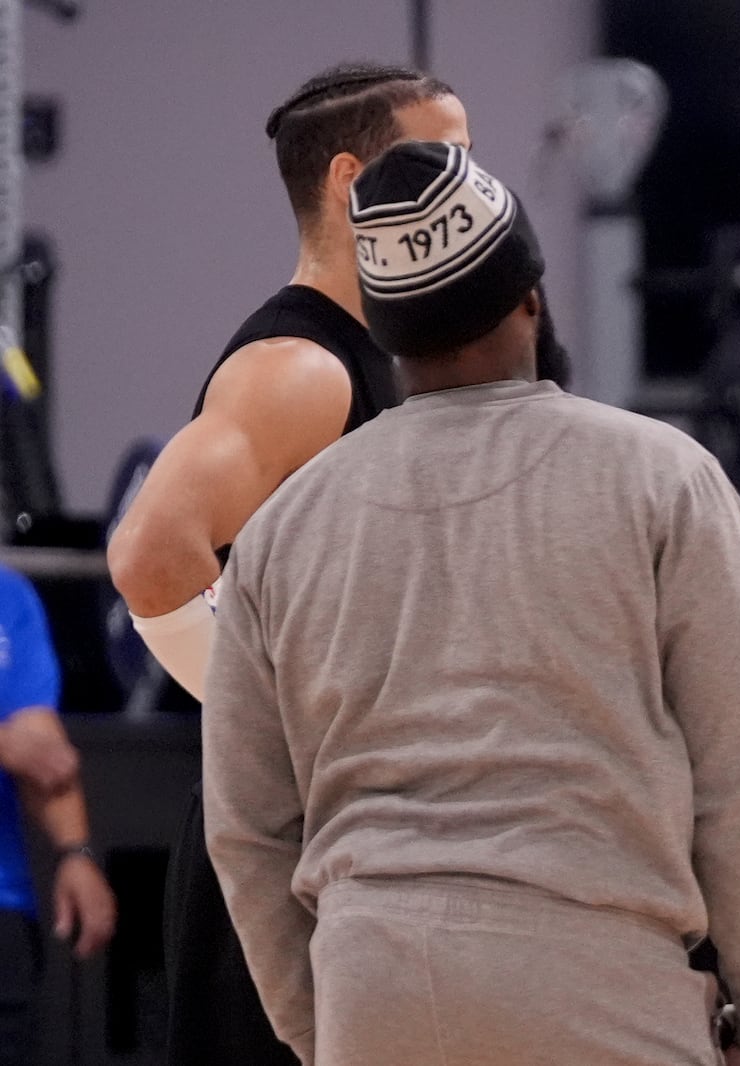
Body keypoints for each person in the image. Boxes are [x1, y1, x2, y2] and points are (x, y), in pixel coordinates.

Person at [201, 140, 740, 1066]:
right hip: (600, 982)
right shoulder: (662, 481)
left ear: (384, 330)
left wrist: (323, 1026)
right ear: (530, 296)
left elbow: (247, 831)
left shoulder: (287, 525)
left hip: (375, 982)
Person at [103, 62, 477, 1066]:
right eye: (444, 161)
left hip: (352, 847)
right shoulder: (298, 368)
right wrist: (281, 724)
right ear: (352, 183)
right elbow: (149, 556)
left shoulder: (389, 359)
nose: (473, 190)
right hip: (278, 861)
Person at [0, 566, 116, 1066]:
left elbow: (42, 749)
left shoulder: (9, 596)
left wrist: (76, 851)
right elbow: (18, 744)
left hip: (5, 900)